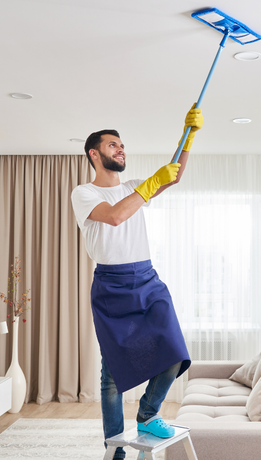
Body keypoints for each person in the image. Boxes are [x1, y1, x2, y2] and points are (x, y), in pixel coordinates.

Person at [71, 104, 203, 458]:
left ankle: (147, 415)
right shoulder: (84, 193)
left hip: (146, 278)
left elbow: (171, 174)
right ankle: (115, 447)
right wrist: (150, 185)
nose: (121, 149)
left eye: (122, 145)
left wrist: (188, 135)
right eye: (113, 145)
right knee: (112, 372)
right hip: (111, 285)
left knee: (175, 352)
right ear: (94, 154)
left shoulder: (133, 186)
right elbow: (115, 217)